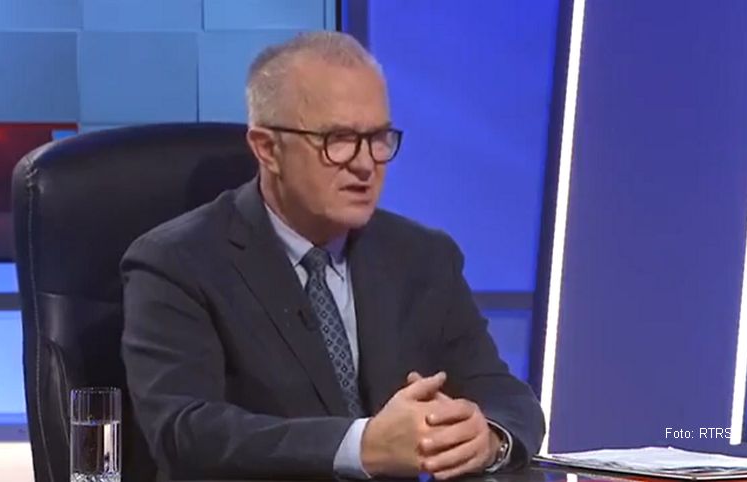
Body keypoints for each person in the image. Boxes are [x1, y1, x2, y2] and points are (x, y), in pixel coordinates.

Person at [121, 31, 545, 481]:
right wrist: (360, 447)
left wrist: (489, 438)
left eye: (378, 137)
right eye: (339, 139)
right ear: (268, 149)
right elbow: (185, 431)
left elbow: (503, 394)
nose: (365, 164)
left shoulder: (424, 257)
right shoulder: (178, 262)